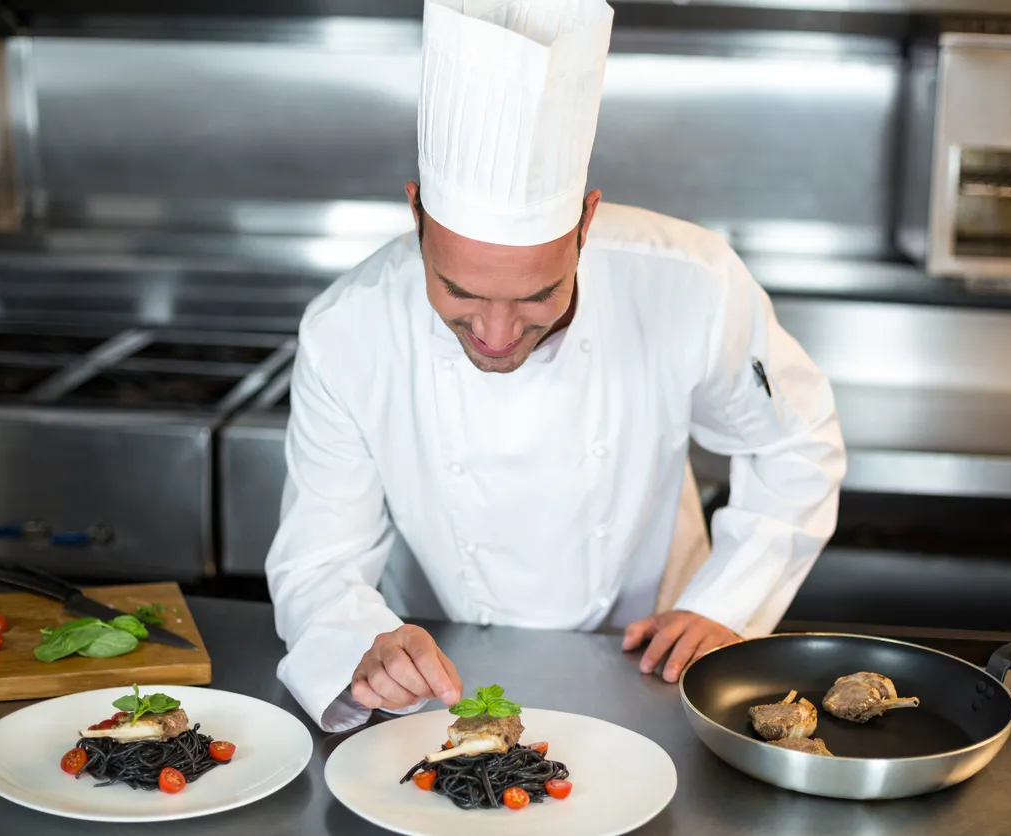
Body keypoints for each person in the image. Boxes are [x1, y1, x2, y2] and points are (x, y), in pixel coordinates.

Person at [265, 0, 846, 734]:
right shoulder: (347, 329)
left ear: (586, 223)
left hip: (656, 671)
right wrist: (366, 649)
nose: (499, 333)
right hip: (437, 686)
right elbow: (318, 560)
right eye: (459, 293)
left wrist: (726, 604)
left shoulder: (689, 283)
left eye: (540, 293)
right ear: (415, 216)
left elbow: (792, 442)